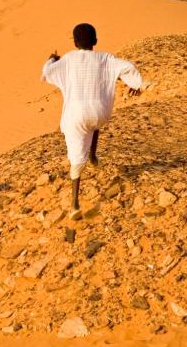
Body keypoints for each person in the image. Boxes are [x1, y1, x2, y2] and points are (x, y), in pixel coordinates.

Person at [41, 23, 142, 213]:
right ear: (95, 41)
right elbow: (127, 67)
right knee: (94, 123)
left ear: (74, 42)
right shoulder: (106, 58)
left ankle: (74, 205)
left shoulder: (69, 59)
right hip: (100, 113)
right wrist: (135, 83)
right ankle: (94, 156)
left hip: (76, 115)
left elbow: (47, 73)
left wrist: (51, 59)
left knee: (76, 157)